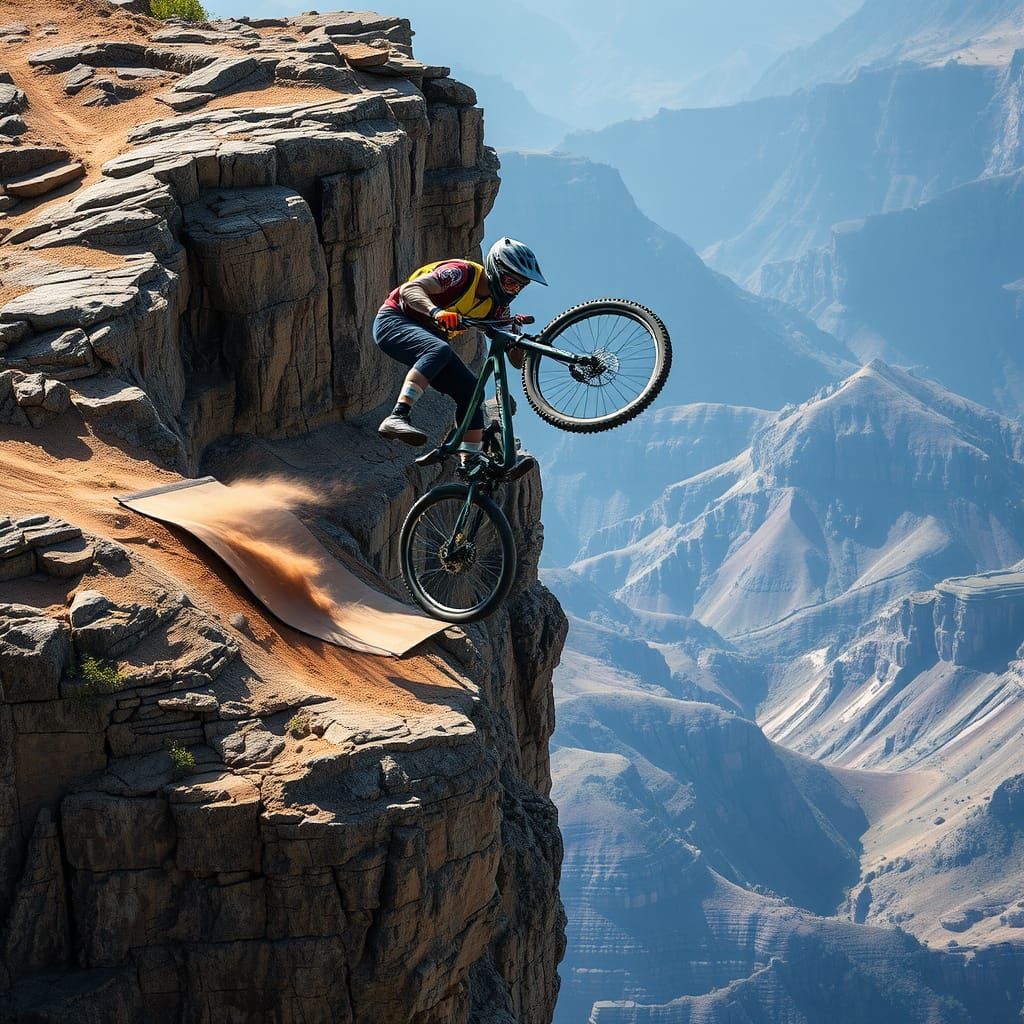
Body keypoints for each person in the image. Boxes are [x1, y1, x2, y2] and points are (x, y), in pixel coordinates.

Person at [374, 237, 546, 464]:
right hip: (395, 320)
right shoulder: (461, 274)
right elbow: (410, 289)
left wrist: (517, 338)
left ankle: (470, 460)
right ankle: (398, 416)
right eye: (510, 282)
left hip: (432, 339)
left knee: (472, 391)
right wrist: (435, 312)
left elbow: (515, 361)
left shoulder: (498, 308)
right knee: (439, 349)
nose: (513, 291)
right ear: (496, 269)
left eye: (519, 286)